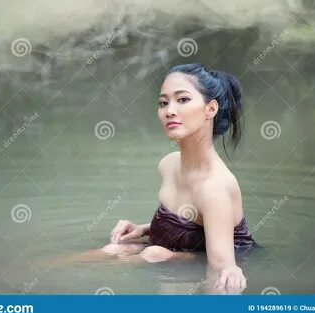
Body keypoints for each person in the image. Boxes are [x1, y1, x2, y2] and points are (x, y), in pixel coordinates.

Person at [101, 63, 256, 290]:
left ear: (210, 109)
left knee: (152, 253)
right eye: (163, 103)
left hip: (198, 269)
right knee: (112, 249)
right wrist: (144, 229)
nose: (169, 111)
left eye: (182, 100)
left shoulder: (215, 188)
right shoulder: (169, 164)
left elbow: (221, 272)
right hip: (172, 254)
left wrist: (229, 275)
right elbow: (190, 225)